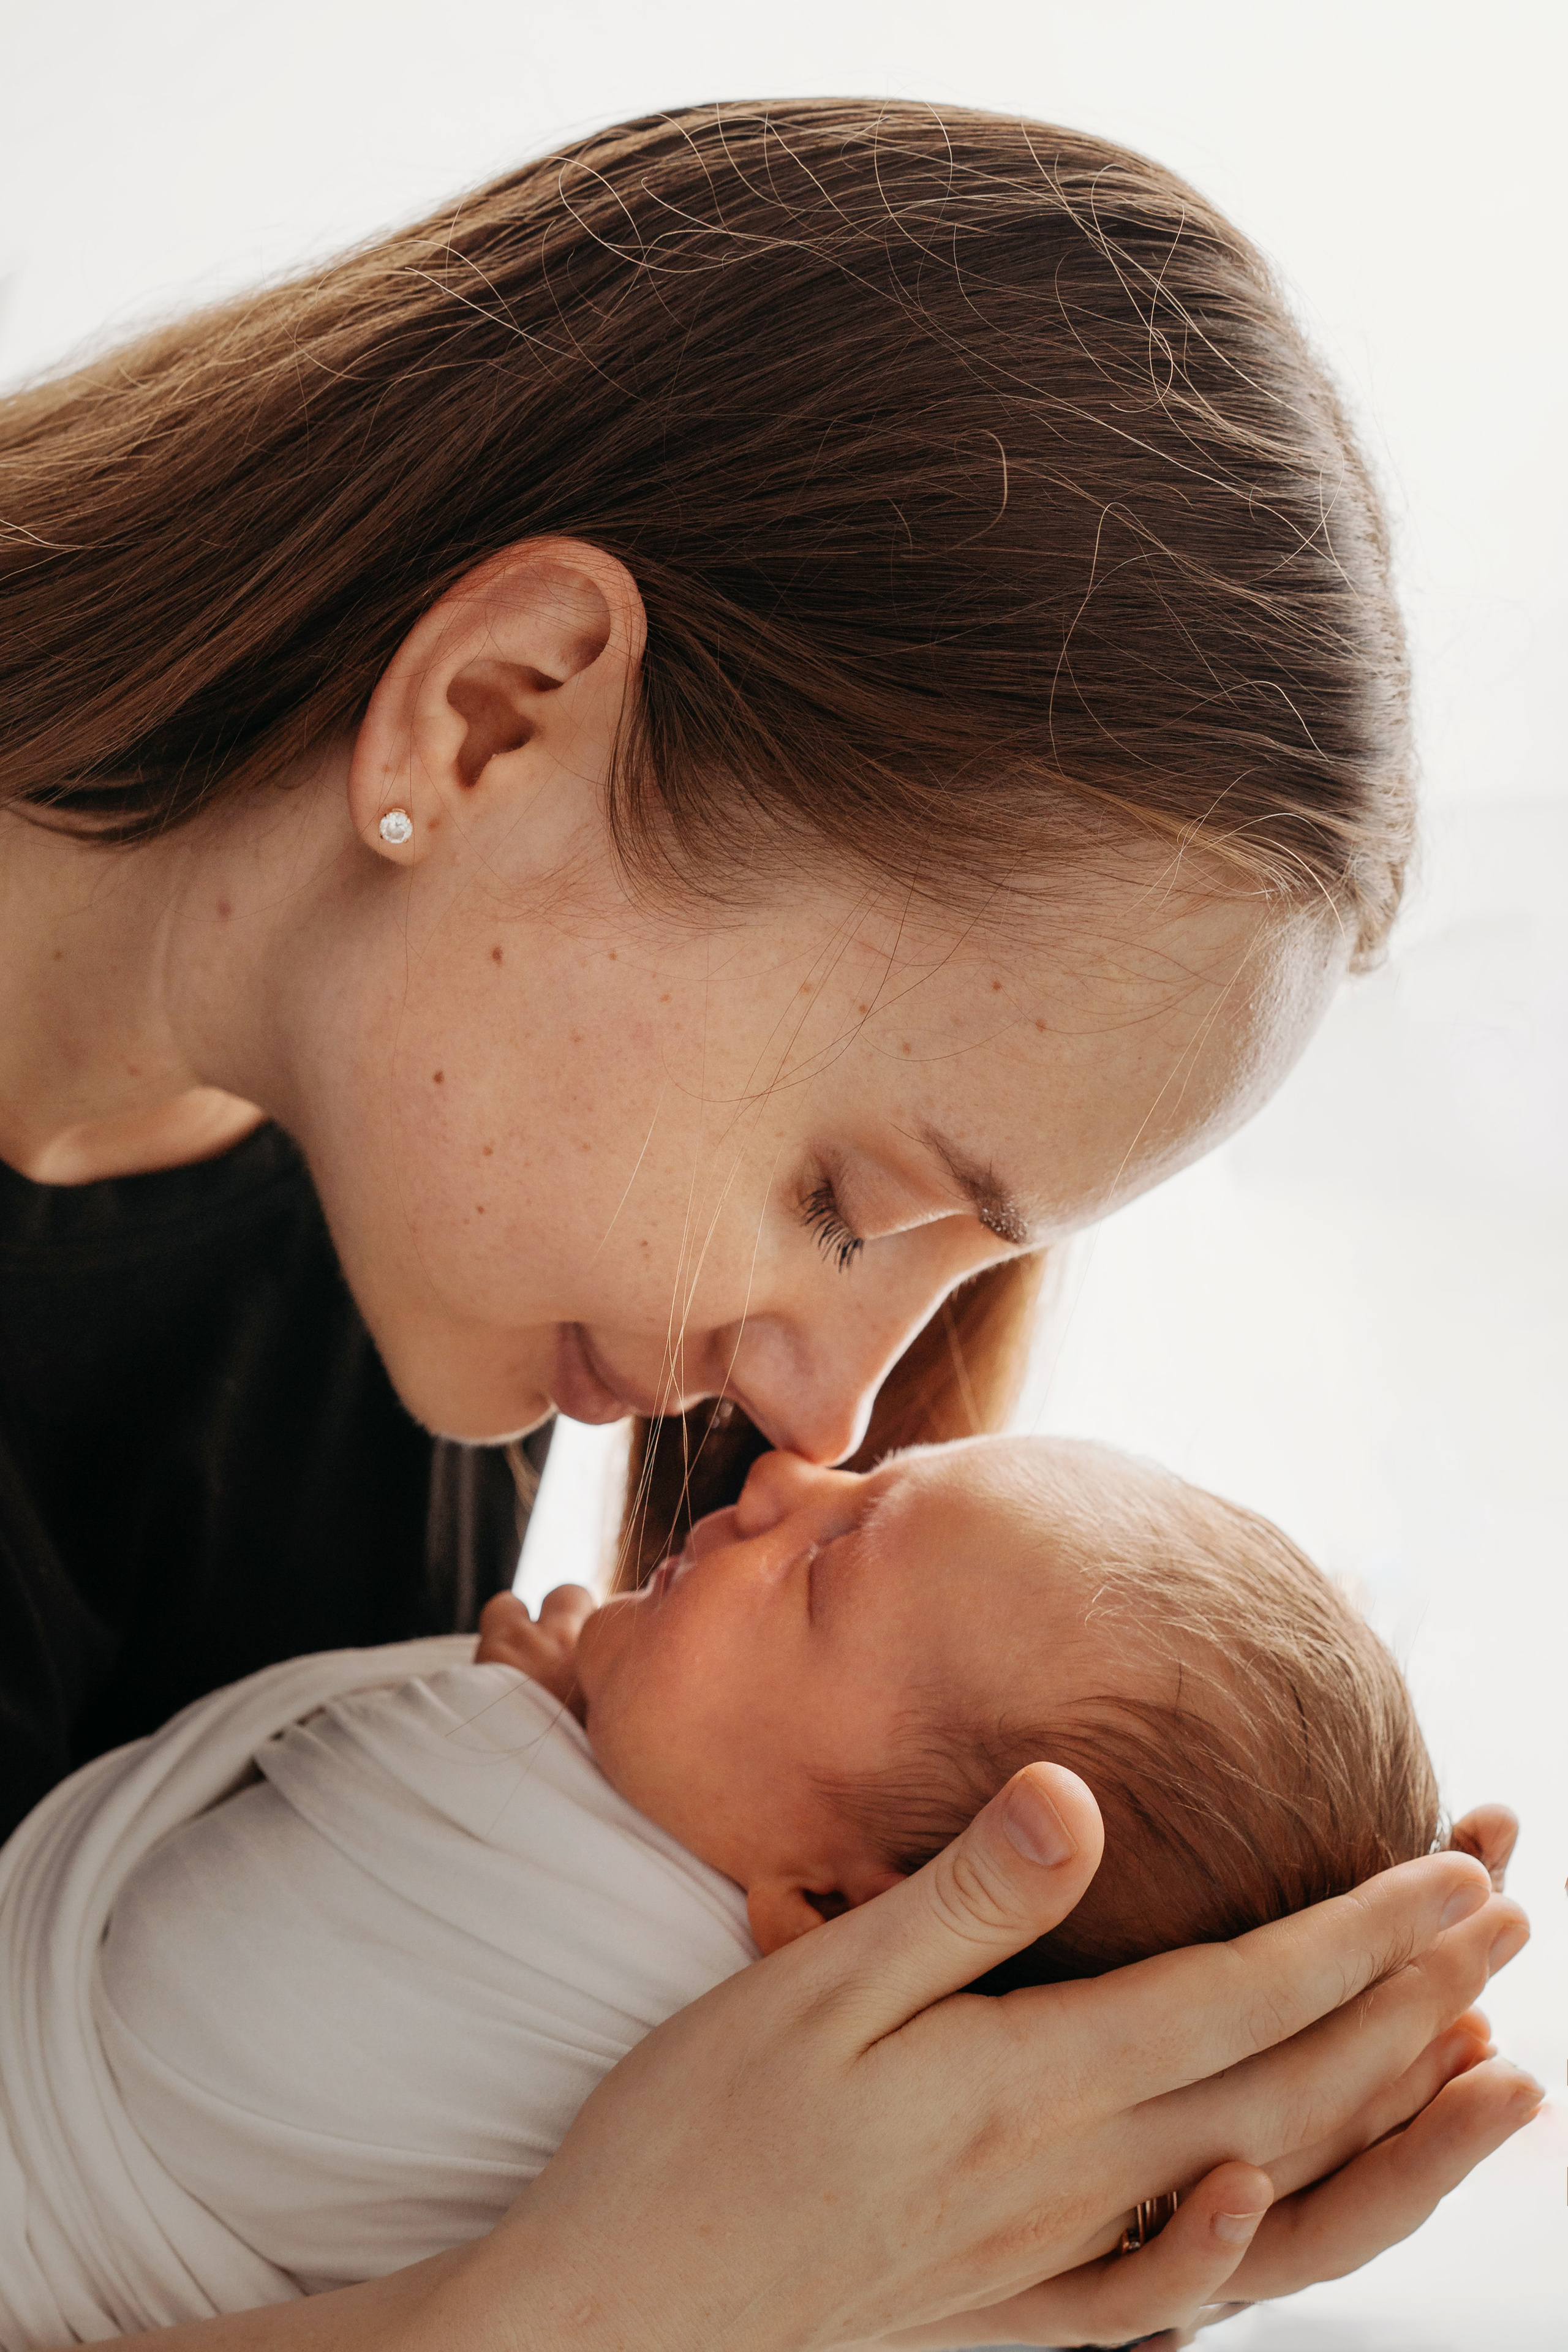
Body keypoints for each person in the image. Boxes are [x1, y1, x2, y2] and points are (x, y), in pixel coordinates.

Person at [0, 96, 1536, 2350]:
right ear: (502, 712)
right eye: (842, 1197)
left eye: (958, 1268)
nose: (818, 1400)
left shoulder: (402, 1268)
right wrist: (606, 2312)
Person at [0, 1433, 1530, 2346]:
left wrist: (519, 1734)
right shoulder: (869, 2242)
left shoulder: (498, 1815)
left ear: (840, 1916)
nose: (783, 1469)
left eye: (826, 1561)